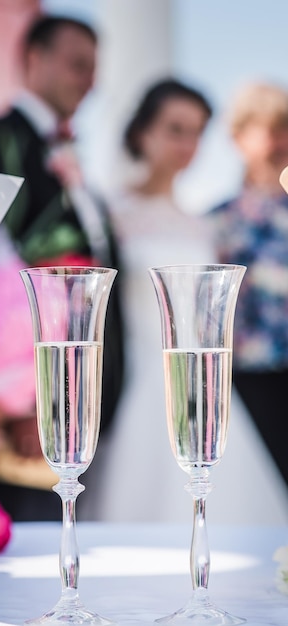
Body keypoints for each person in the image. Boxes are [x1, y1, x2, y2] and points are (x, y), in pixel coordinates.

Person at [0, 14, 124, 521]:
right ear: (34, 59)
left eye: (93, 69)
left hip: (81, 401)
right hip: (20, 410)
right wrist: (24, 403)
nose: (88, 81)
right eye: (77, 65)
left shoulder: (73, 155)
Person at [88, 78, 216, 522]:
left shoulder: (201, 224)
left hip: (200, 379)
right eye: (175, 129)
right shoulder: (110, 214)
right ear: (144, 132)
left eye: (197, 132)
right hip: (133, 377)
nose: (187, 143)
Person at [208, 82, 288, 490]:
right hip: (245, 379)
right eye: (270, 129)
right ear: (238, 138)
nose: (280, 141)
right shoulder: (217, 220)